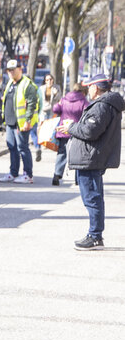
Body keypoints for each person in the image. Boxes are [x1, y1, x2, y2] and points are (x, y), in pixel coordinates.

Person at [56, 74, 122, 250]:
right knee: (94, 197)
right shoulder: (106, 105)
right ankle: (95, 235)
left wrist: (71, 127)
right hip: (91, 157)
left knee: (92, 198)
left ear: (96, 88)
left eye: (90, 87)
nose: (88, 90)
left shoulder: (102, 106)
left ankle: (95, 236)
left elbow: (90, 131)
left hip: (90, 158)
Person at [0, 60, 39, 184]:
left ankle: (28, 174)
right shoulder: (10, 83)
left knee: (23, 148)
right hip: (10, 122)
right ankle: (13, 172)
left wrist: (28, 121)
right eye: (8, 70)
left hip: (21, 123)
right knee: (12, 148)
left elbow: (32, 104)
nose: (10, 72)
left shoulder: (27, 84)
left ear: (20, 69)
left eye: (13, 69)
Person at [51, 84, 88, 186]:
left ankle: (57, 175)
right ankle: (77, 179)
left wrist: (58, 103)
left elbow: (55, 110)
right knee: (78, 155)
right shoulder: (83, 101)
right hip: (77, 131)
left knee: (62, 153)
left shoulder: (64, 99)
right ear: (84, 92)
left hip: (64, 130)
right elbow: (88, 113)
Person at [35, 73, 61, 162]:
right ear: (45, 81)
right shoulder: (41, 89)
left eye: (50, 79)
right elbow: (38, 100)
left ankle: (49, 143)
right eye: (47, 80)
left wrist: (56, 93)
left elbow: (59, 99)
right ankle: (39, 146)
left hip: (52, 110)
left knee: (51, 129)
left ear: (53, 80)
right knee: (40, 127)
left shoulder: (56, 88)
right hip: (43, 110)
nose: (49, 81)